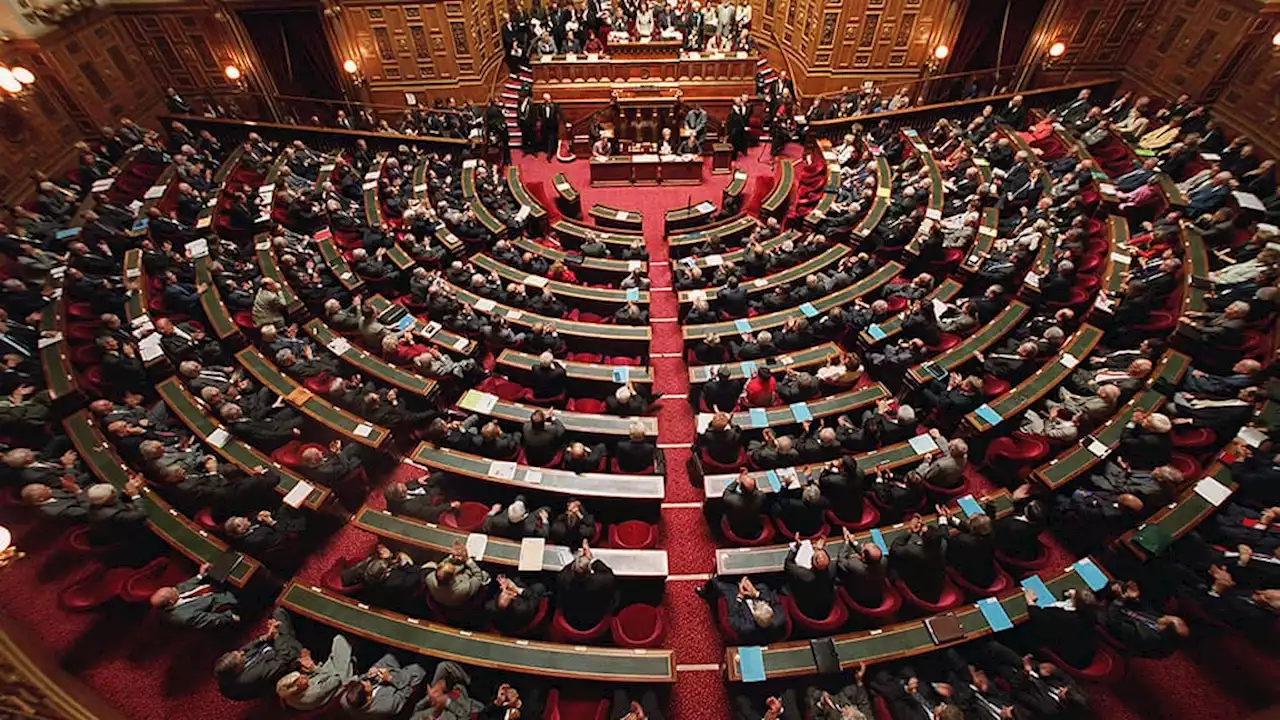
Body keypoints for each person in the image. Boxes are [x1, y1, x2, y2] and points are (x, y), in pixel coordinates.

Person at [215, 609, 303, 700]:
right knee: (281, 613)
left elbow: (247, 648)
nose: (242, 653)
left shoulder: (235, 664)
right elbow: (284, 659)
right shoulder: (252, 676)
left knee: (277, 614)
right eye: (240, 656)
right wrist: (276, 635)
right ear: (237, 669)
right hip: (287, 656)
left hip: (272, 650)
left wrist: (267, 637)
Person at [276, 634, 357, 711]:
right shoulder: (314, 693)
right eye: (300, 680)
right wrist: (314, 668)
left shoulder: (289, 694)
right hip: (340, 681)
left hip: (326, 675)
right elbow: (337, 679)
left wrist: (310, 665)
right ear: (297, 689)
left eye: (300, 676)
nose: (303, 676)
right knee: (341, 640)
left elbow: (316, 677)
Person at [150, 564, 240, 629]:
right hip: (221, 599)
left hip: (213, 584)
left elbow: (185, 586)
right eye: (172, 591)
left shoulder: (173, 594)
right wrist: (230, 617)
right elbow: (211, 620)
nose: (174, 588)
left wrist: (200, 576)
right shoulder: (185, 617)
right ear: (171, 602)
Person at [339, 653, 426, 719]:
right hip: (401, 684)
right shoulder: (385, 707)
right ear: (368, 698)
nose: (366, 682)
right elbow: (406, 692)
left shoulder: (346, 699)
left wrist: (368, 675)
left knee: (394, 654)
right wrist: (391, 678)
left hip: (383, 674)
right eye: (367, 685)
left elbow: (360, 679)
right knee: (419, 666)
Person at [556, 544, 616, 630]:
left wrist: (579, 560)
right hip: (596, 618)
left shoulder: (563, 579)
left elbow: (567, 569)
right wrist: (592, 561)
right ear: (589, 571)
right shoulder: (604, 581)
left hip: (571, 617)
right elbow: (608, 573)